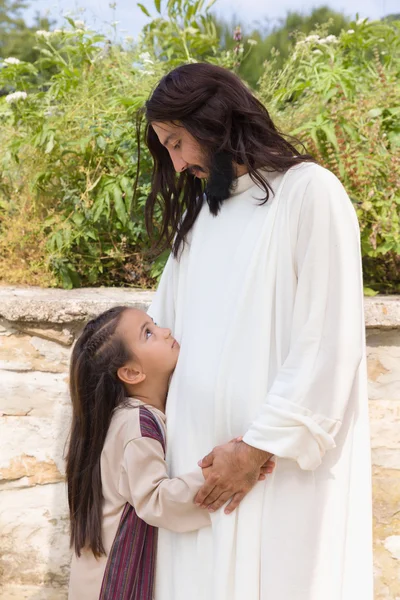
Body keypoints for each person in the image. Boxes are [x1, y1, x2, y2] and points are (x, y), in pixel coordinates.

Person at [145, 62, 373, 600]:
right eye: (167, 149)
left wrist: (254, 449)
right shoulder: (203, 215)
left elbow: (329, 342)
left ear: (215, 120)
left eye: (178, 143)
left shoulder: (309, 193)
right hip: (199, 472)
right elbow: (162, 331)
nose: (177, 166)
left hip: (275, 475)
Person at [66, 305, 274, 600]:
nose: (165, 332)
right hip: (113, 582)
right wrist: (219, 475)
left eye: (155, 324)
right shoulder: (136, 423)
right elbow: (154, 499)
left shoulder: (126, 417)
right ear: (132, 372)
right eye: (148, 333)